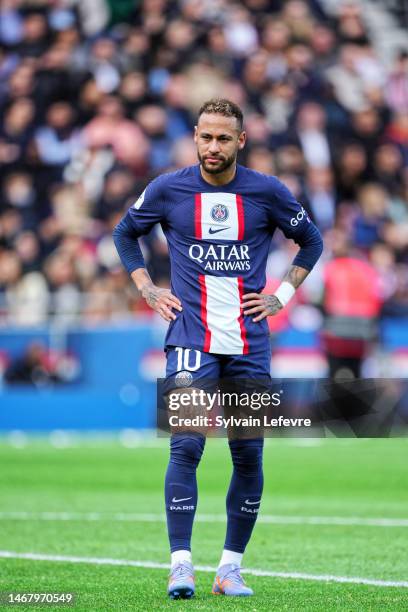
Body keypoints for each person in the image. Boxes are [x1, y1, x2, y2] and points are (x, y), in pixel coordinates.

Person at [113, 99, 323, 599]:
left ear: (240, 141)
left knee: (248, 454)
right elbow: (126, 232)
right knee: (186, 443)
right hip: (190, 337)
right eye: (205, 137)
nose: (213, 147)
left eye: (223, 138)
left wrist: (281, 295)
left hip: (249, 341)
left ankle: (230, 569)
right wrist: (147, 287)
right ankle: (180, 565)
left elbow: (311, 241)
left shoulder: (267, 192)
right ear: (195, 137)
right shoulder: (168, 188)